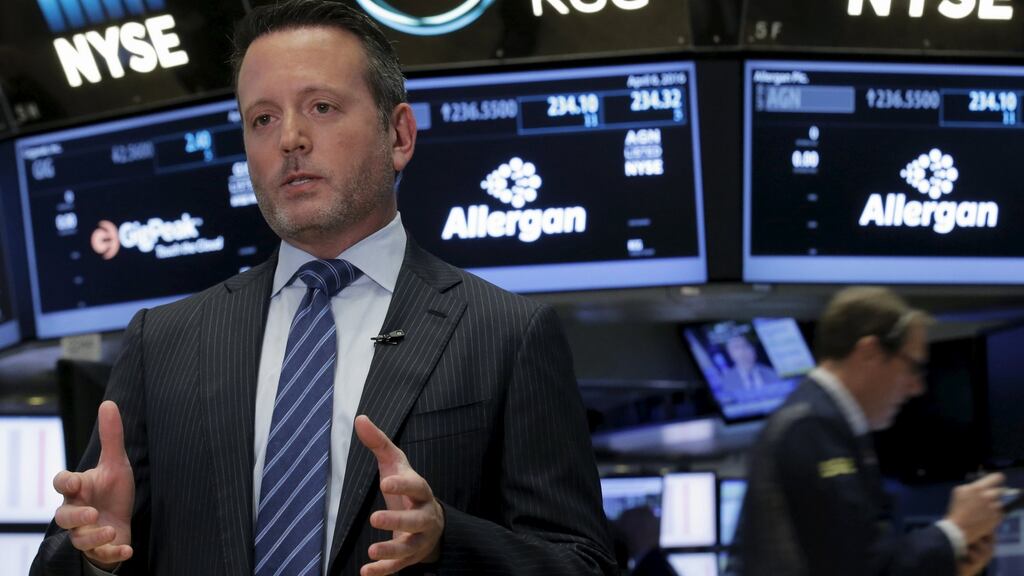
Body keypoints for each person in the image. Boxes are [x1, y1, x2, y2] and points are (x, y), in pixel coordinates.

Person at [31, 2, 615, 575]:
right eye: (262, 119)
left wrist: (447, 539)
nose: (290, 139)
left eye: (322, 106)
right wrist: (95, 558)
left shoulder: (507, 334)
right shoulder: (164, 343)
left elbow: (582, 563)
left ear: (399, 134)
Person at [736, 286, 1004, 576]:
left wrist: (950, 561)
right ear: (869, 354)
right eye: (912, 367)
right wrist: (955, 531)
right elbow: (860, 569)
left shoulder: (821, 423)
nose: (917, 387)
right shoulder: (813, 428)